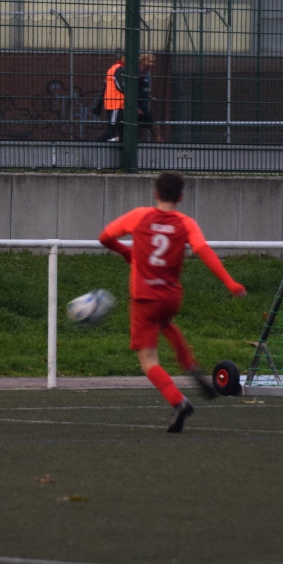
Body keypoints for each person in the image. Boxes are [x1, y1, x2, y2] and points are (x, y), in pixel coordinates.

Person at [99, 171, 247, 432]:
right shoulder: (185, 223)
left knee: (149, 360)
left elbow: (105, 237)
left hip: (144, 297)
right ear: (180, 196)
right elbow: (204, 251)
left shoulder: (139, 216)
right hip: (170, 296)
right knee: (164, 321)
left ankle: (178, 402)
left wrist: (128, 253)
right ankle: (189, 364)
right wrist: (231, 283)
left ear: (156, 193)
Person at [99, 52, 125, 142]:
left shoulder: (113, 68)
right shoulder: (119, 68)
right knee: (112, 129)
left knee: (119, 129)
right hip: (116, 104)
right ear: (122, 57)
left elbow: (105, 86)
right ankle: (99, 144)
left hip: (113, 103)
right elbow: (120, 85)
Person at [137, 54, 162, 143]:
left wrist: (148, 96)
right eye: (151, 62)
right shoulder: (138, 73)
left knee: (138, 132)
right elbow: (132, 91)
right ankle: (162, 148)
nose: (153, 64)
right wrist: (136, 107)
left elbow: (140, 90)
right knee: (155, 128)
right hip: (139, 107)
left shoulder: (146, 74)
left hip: (142, 106)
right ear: (144, 61)